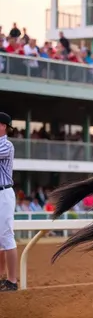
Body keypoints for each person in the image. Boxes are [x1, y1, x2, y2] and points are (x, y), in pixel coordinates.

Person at [0, 112, 17, 292]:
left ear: (3, 126)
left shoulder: (7, 145)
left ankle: (12, 280)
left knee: (6, 236)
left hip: (4, 193)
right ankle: (1, 277)